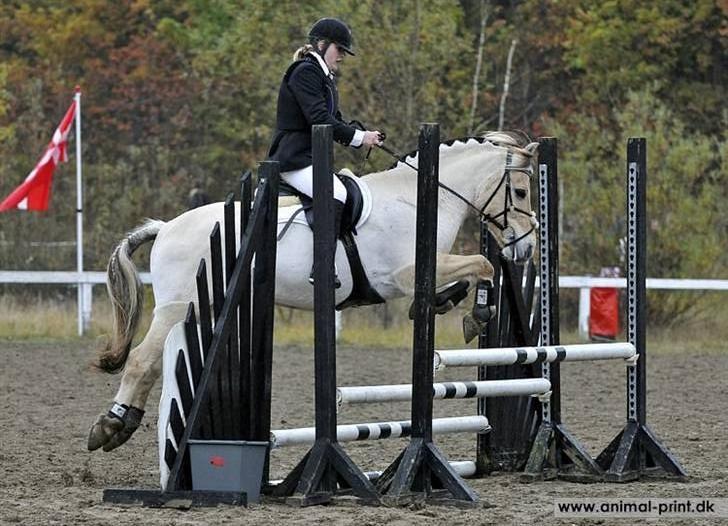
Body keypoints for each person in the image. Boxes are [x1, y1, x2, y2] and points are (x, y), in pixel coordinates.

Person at [268, 17, 383, 286]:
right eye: (339, 49)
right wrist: (358, 137)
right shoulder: (304, 72)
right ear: (322, 45)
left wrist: (363, 138)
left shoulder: (324, 77)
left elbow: (336, 119)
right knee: (337, 192)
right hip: (293, 159)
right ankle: (320, 267)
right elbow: (319, 117)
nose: (342, 56)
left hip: (309, 159)